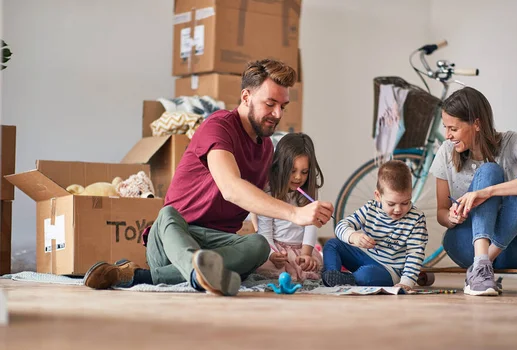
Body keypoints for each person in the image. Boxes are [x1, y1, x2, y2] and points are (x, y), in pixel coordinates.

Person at [83, 59, 334, 296]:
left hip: (218, 246)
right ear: (246, 97)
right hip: (174, 238)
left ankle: (144, 276)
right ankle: (191, 274)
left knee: (257, 245)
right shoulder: (219, 126)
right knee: (168, 215)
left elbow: (258, 202)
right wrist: (294, 214)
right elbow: (231, 188)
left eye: (283, 106)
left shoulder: (266, 149)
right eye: (270, 104)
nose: (278, 114)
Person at [430, 86, 517, 296]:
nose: (447, 135)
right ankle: (481, 264)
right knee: (490, 171)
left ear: (477, 123)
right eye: (445, 127)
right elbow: (441, 213)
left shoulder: (512, 142)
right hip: (466, 246)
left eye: (453, 128)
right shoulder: (446, 151)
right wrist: (452, 217)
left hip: (516, 249)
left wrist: (487, 192)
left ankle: (482, 265)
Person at [321, 160, 428, 290]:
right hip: (364, 256)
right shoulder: (370, 208)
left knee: (368, 275)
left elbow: (415, 253)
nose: (398, 209)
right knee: (332, 244)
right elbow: (341, 225)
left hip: (389, 271)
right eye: (391, 204)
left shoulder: (416, 219)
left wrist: (406, 282)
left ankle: (351, 279)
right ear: (378, 195)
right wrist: (353, 237)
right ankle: (331, 275)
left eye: (405, 203)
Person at [255, 132, 324, 282]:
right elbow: (265, 232)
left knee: (310, 265)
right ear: (280, 167)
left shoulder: (309, 192)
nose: (298, 177)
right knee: (262, 263)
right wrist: (272, 254)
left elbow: (311, 227)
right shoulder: (269, 191)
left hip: (301, 249)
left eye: (304, 172)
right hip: (276, 249)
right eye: (292, 171)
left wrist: (306, 254)